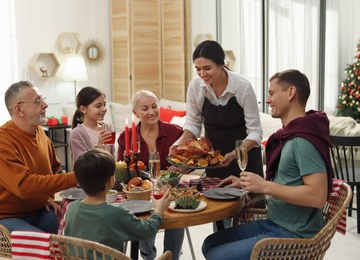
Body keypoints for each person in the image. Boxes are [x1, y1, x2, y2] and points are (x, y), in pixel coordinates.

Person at [201, 69, 334, 260]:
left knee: (217, 255)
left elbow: (317, 196)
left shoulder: (303, 141)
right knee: (210, 243)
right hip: (274, 222)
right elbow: (288, 181)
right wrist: (246, 183)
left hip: (294, 236)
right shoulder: (288, 136)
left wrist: (264, 186)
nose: (268, 100)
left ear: (290, 92)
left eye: (271, 93)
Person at [0, 80, 77, 233]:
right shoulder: (0, 140)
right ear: (19, 109)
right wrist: (79, 177)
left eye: (43, 99)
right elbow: (24, 186)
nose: (45, 105)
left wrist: (47, 197)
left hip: (36, 212)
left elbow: (53, 168)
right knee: (44, 248)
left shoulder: (41, 134)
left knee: (81, 226)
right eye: (37, 101)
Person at [170, 40, 263, 180]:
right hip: (214, 160)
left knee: (247, 201)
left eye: (207, 68)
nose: (202, 74)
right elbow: (193, 124)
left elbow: (255, 132)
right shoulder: (195, 87)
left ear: (221, 64)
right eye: (198, 69)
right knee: (215, 199)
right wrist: (178, 144)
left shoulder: (242, 87)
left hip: (244, 160)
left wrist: (234, 154)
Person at [117, 90, 187, 260]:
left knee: (178, 216)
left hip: (171, 192)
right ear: (135, 113)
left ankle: (172, 257)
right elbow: (121, 172)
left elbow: (188, 161)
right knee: (143, 220)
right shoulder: (125, 138)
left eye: (154, 106)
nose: (151, 112)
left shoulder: (175, 132)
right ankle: (148, 256)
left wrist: (182, 169)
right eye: (145, 108)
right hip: (141, 195)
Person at [64, 148, 171, 253]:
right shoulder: (116, 214)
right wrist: (158, 211)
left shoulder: (71, 208)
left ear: (78, 181)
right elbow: (147, 231)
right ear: (111, 180)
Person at [69, 86, 114, 162]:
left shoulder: (107, 127)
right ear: (83, 109)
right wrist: (99, 147)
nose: (104, 109)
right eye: (98, 106)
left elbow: (112, 157)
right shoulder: (76, 134)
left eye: (104, 105)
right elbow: (84, 165)